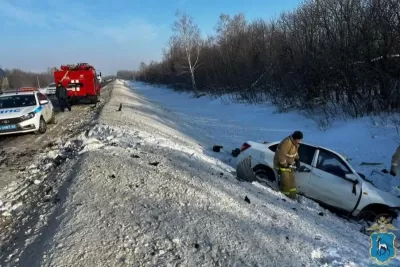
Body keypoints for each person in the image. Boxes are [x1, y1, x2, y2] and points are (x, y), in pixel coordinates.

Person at [273, 131, 303, 200]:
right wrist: (285, 164)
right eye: (299, 140)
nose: (300, 141)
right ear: (295, 138)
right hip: (282, 165)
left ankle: (292, 198)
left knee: (292, 184)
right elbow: (280, 156)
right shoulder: (286, 142)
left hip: (289, 165)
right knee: (286, 184)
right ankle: (284, 199)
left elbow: (294, 153)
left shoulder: (295, 143)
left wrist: (297, 159)